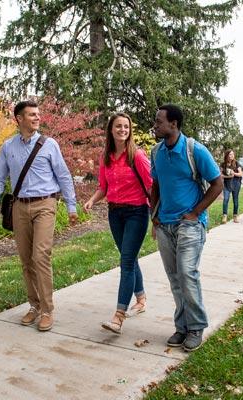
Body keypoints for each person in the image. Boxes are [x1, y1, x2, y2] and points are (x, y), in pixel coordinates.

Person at [0, 100, 78, 331]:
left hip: (45, 204)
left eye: (38, 114)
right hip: (19, 207)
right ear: (19, 119)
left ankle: (47, 310)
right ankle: (34, 305)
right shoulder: (8, 147)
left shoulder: (49, 144)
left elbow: (63, 176)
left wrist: (72, 206)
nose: (37, 118)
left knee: (40, 256)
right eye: (31, 115)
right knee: (26, 260)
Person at [150, 104, 222, 352]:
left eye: (159, 121)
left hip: (189, 224)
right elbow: (155, 185)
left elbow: (217, 183)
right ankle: (182, 326)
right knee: (174, 278)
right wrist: (154, 214)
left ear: (174, 124)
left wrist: (195, 212)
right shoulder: (156, 151)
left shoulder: (195, 150)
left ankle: (196, 326)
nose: (155, 125)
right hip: (165, 225)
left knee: (187, 273)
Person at [84, 112, 152, 334]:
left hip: (137, 213)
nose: (123, 130)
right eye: (118, 126)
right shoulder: (106, 156)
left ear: (129, 130)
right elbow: (103, 187)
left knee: (126, 261)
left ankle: (118, 316)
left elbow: (151, 186)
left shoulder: (137, 156)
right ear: (111, 130)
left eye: (126, 126)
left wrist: (158, 215)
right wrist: (92, 201)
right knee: (128, 256)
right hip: (115, 214)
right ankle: (140, 299)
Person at [220, 149, 243, 223]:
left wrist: (234, 174)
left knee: (235, 200)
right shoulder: (223, 164)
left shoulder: (237, 163)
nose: (231, 156)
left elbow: (241, 174)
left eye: (232, 154)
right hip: (227, 185)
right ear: (227, 155)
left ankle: (235, 216)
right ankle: (224, 216)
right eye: (230, 154)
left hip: (236, 184)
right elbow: (220, 175)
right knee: (225, 199)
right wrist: (228, 177)